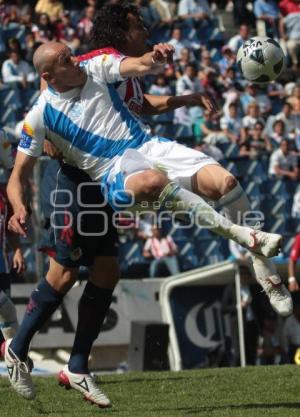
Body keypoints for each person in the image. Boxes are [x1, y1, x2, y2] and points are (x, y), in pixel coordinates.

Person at [5, 31, 292, 407]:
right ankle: (17, 350)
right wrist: (20, 206)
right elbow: (18, 173)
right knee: (63, 274)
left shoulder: (95, 66)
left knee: (227, 183)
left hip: (148, 147)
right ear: (47, 75)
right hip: (102, 178)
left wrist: (156, 58)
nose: (73, 60)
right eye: (64, 60)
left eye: (71, 54)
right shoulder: (40, 113)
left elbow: (138, 67)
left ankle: (261, 265)